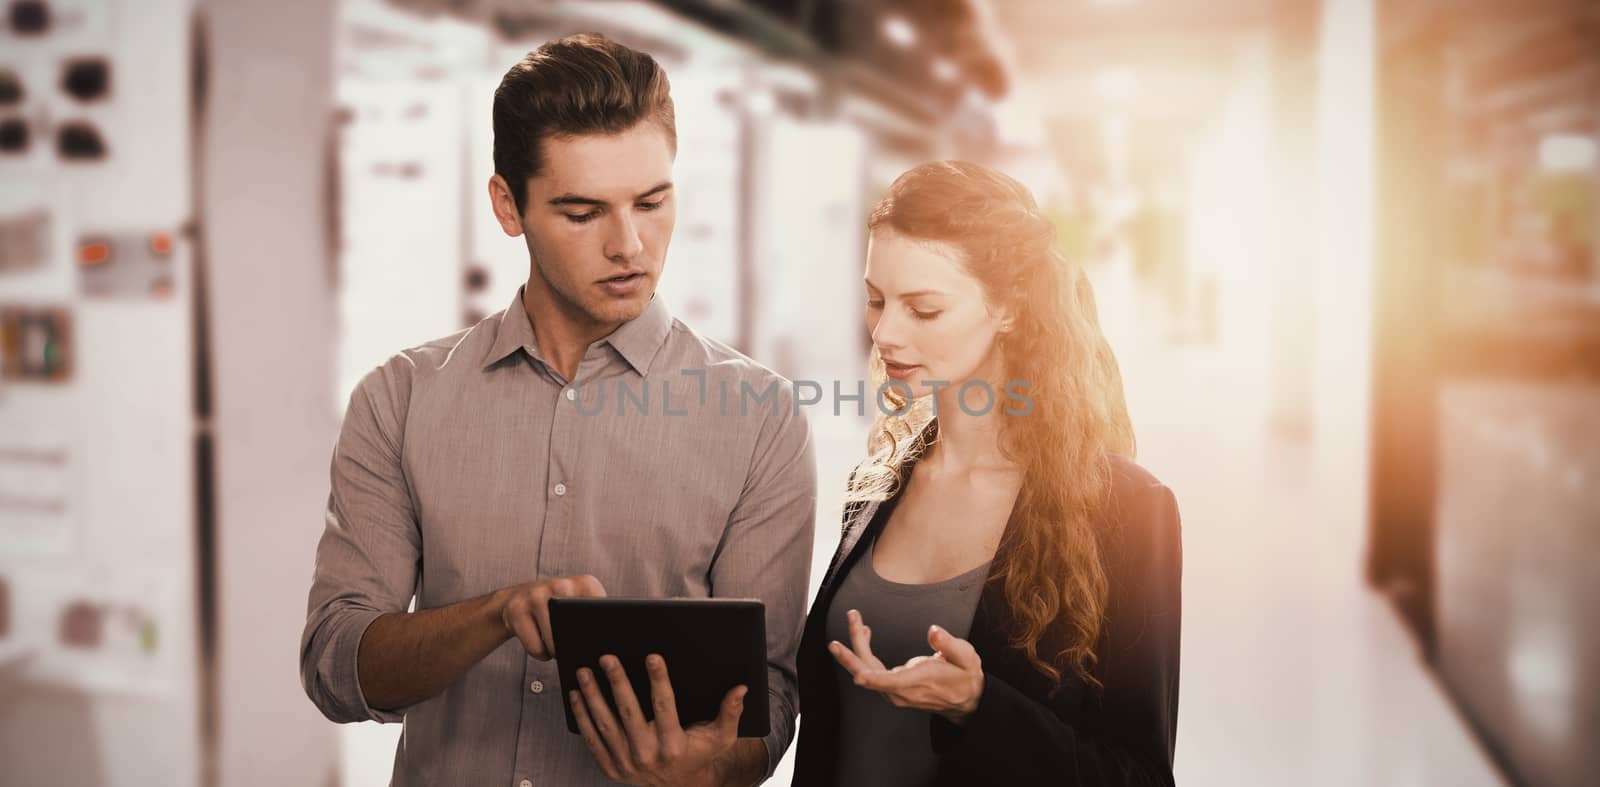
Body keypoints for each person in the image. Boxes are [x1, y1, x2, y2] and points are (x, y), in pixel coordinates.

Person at [299, 34, 816, 787]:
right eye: (583, 212)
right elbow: (336, 666)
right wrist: (494, 615)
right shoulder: (399, 398)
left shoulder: (760, 417)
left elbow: (770, 696)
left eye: (652, 201)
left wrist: (702, 775)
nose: (630, 244)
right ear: (508, 206)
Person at [791, 161, 1182, 786]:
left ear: (1008, 308)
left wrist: (980, 704)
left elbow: (1138, 775)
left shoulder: (1127, 508)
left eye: (923, 310)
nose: (885, 332)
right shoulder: (879, 482)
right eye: (875, 300)